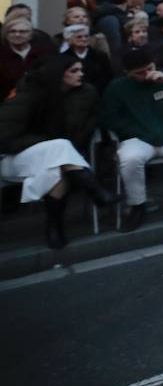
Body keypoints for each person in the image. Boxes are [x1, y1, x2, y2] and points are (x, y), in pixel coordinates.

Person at [0, 55, 119, 249]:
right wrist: (46, 143)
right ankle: (96, 191)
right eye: (74, 71)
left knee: (56, 170)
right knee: (59, 147)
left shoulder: (86, 94)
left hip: (61, 157)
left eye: (81, 70)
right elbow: (3, 136)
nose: (81, 74)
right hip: (12, 157)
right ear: (57, 74)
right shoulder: (29, 94)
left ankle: (54, 227)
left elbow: (91, 122)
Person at [100, 48, 163, 231]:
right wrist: (135, 131)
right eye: (140, 72)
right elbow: (109, 118)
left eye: (149, 68)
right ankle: (137, 205)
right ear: (128, 73)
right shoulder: (117, 87)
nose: (147, 74)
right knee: (129, 159)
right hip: (138, 138)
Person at [1, 14, 55, 101]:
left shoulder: (43, 53)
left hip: (38, 102)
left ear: (31, 35)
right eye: (12, 31)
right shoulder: (2, 54)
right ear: (6, 35)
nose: (17, 34)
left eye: (22, 31)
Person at [60, 24, 114, 92]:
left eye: (86, 36)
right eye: (79, 37)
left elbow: (108, 77)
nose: (84, 39)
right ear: (69, 40)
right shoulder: (63, 57)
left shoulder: (100, 56)